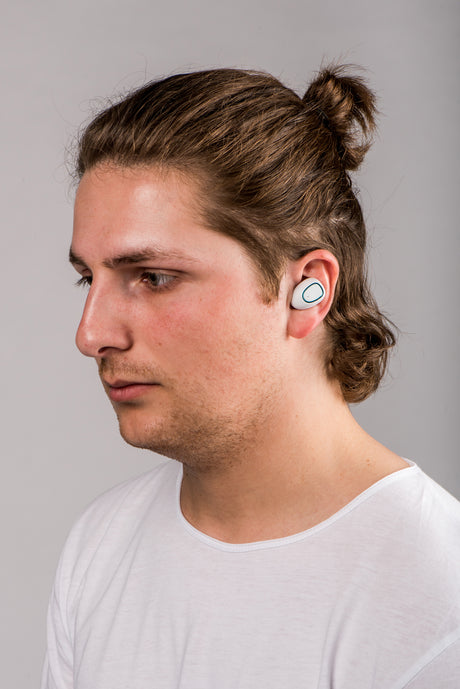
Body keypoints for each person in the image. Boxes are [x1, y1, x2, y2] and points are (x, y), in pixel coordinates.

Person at [42, 65, 460, 688]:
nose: (90, 334)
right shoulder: (100, 546)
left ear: (307, 289)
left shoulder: (436, 598)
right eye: (88, 278)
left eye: (153, 277)